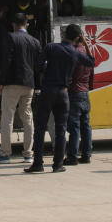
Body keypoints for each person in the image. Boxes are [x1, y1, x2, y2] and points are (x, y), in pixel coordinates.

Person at [25, 23, 95, 174]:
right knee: (61, 129)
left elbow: (37, 66)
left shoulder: (51, 47)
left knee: (40, 128)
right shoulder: (75, 53)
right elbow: (91, 62)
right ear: (77, 38)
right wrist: (85, 43)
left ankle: (38, 163)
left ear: (63, 35)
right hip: (63, 94)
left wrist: (47, 69)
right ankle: (57, 165)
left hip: (48, 91)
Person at [0, 12, 40, 164]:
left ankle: (5, 153)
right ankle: (28, 154)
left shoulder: (10, 38)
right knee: (28, 117)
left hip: (12, 83)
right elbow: (38, 67)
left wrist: (1, 82)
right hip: (29, 84)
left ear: (13, 24)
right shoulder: (34, 41)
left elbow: (6, 62)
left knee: (7, 118)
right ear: (27, 24)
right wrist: (36, 86)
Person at [65, 30, 94, 165]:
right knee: (86, 125)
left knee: (74, 126)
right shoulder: (85, 52)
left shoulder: (73, 53)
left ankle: (72, 156)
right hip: (85, 92)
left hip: (75, 92)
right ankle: (87, 154)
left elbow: (70, 75)